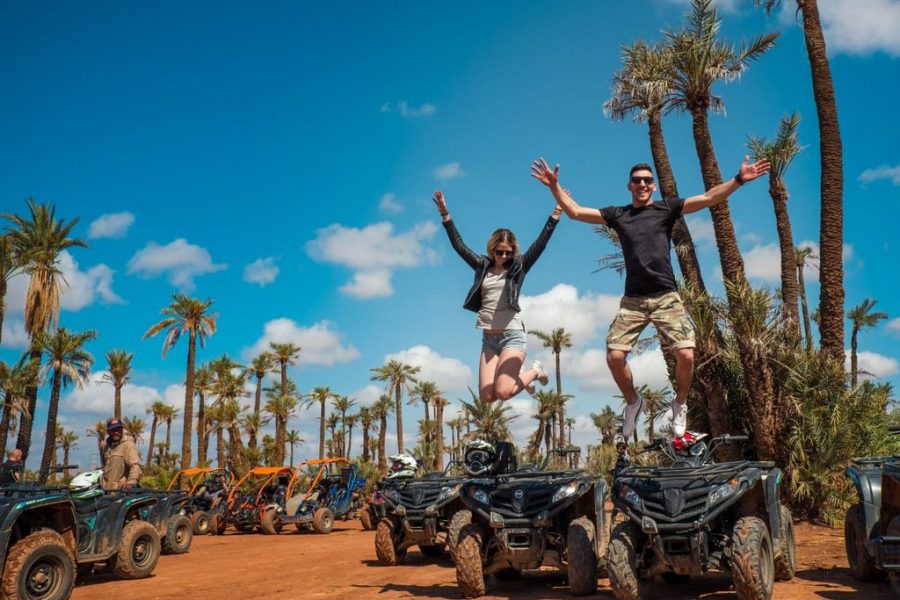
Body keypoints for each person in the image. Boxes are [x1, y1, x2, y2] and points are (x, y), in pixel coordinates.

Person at [531, 156, 770, 439]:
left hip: (666, 295)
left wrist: (739, 179)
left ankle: (679, 404)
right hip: (633, 300)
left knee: (686, 354)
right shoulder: (618, 215)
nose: (642, 184)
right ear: (629, 186)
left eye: (647, 180)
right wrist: (554, 187)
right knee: (614, 356)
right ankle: (633, 402)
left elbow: (707, 198)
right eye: (637, 180)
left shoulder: (666, 209)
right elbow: (575, 212)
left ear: (653, 186)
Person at [434, 189, 560, 403]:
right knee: (486, 397)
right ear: (492, 250)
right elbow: (459, 246)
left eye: (508, 252)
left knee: (503, 393)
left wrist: (555, 215)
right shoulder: (481, 265)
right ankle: (523, 378)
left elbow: (540, 244)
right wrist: (445, 215)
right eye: (499, 252)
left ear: (513, 252)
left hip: (512, 336)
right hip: (489, 339)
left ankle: (535, 372)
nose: (504, 256)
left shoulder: (519, 267)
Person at [100, 417, 142, 491]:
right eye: (113, 430)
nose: (117, 432)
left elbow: (135, 466)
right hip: (106, 492)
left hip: (121, 493)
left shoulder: (128, 445)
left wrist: (131, 482)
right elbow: (104, 467)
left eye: (119, 429)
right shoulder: (104, 446)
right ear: (108, 431)